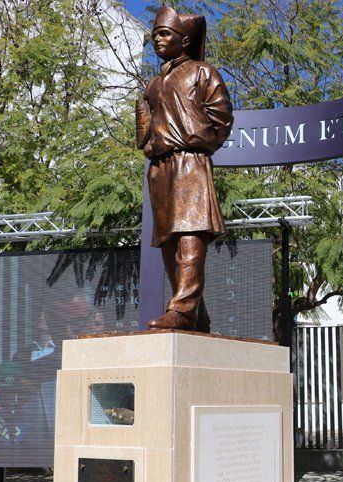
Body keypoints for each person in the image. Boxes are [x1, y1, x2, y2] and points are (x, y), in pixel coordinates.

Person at [136, 5, 234, 332]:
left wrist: (192, 139)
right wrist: (149, 139)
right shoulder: (152, 85)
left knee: (190, 235)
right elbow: (144, 133)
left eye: (164, 34)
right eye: (154, 36)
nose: (158, 41)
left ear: (185, 39)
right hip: (160, 168)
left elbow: (222, 121)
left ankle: (180, 309)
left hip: (189, 163)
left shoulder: (203, 73)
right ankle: (195, 314)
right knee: (169, 244)